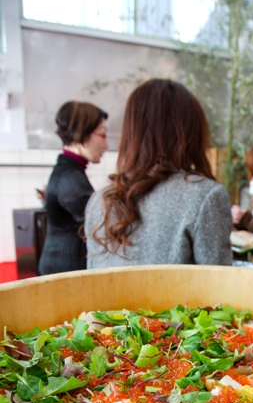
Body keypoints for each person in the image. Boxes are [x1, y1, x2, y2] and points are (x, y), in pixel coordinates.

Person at [85, 79, 232, 268]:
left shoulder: (99, 201)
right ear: (191, 132)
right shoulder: (206, 196)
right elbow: (219, 283)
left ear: (131, 132)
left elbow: (92, 279)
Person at [38, 101, 108, 275]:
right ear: (81, 134)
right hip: (63, 272)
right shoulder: (70, 178)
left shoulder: (69, 171)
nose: (106, 145)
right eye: (102, 134)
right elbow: (100, 225)